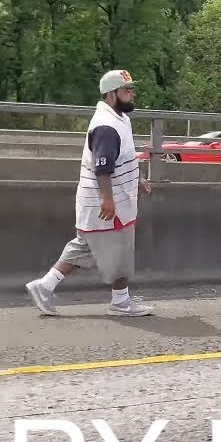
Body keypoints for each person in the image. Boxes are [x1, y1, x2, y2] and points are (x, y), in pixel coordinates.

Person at [25, 69, 154, 317]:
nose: (131, 94)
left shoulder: (119, 119)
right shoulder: (106, 126)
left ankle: (44, 286)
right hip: (107, 204)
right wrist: (107, 200)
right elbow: (103, 166)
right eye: (127, 90)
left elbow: (121, 159)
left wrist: (137, 179)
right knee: (119, 251)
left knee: (83, 248)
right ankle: (121, 302)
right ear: (112, 94)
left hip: (105, 201)